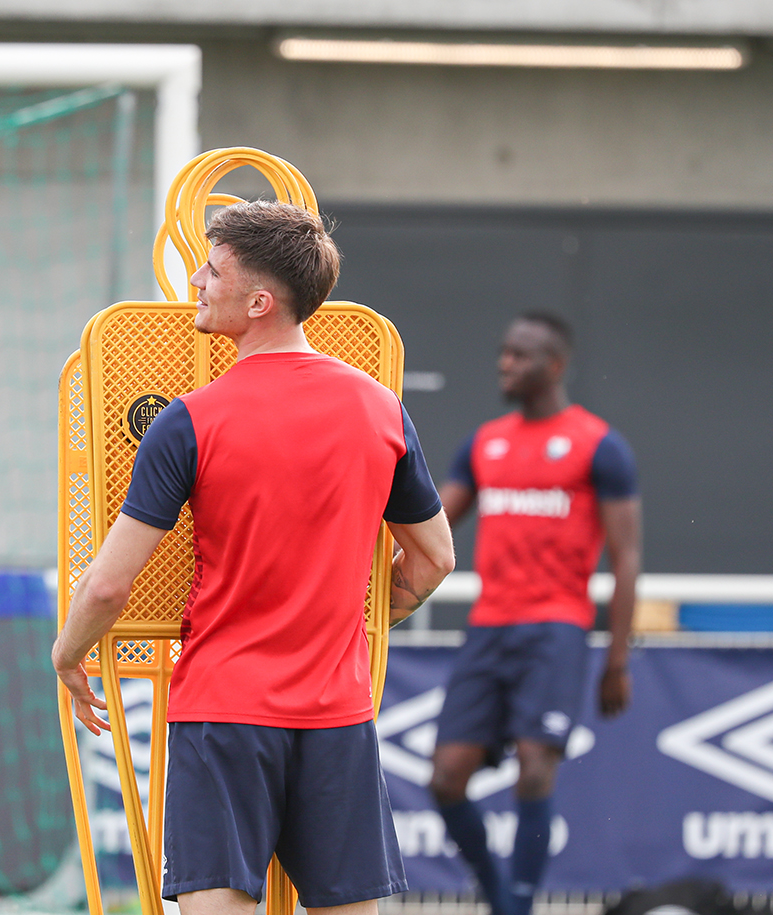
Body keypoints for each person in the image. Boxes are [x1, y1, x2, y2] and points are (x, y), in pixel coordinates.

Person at [52, 200, 456, 915]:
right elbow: (433, 560)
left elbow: (111, 584)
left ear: (260, 301)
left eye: (213, 270)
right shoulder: (379, 408)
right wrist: (355, 615)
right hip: (337, 710)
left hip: (224, 710)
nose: (198, 282)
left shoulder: (191, 419)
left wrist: (67, 652)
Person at [429, 313, 641, 915]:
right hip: (489, 626)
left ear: (554, 365)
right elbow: (433, 526)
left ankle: (518, 905)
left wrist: (616, 658)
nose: (504, 364)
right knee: (446, 779)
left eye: (518, 356)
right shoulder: (484, 442)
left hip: (557, 628)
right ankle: (500, 897)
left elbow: (626, 559)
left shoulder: (600, 446)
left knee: (534, 767)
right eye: (502, 353)